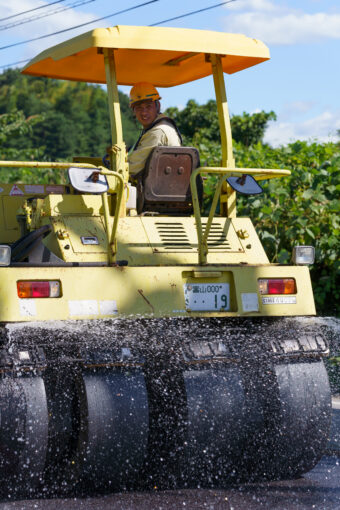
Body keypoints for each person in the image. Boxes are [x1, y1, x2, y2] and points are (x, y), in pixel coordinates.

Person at [128, 82, 182, 177]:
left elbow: (132, 168)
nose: (144, 113)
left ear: (158, 106)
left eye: (148, 106)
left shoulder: (157, 132)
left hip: (159, 189)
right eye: (139, 108)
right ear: (134, 111)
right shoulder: (161, 127)